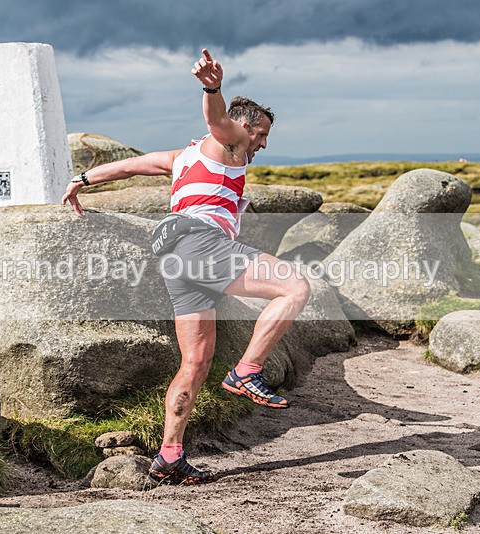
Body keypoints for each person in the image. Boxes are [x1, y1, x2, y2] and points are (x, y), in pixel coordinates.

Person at [62, 49, 310, 484]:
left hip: (176, 258)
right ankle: (248, 371)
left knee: (195, 361)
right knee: (295, 288)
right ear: (245, 126)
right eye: (262, 134)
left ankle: (169, 455)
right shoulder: (228, 143)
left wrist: (82, 180)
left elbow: (127, 167)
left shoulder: (182, 156)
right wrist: (212, 88)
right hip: (201, 242)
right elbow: (218, 122)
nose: (263, 144)